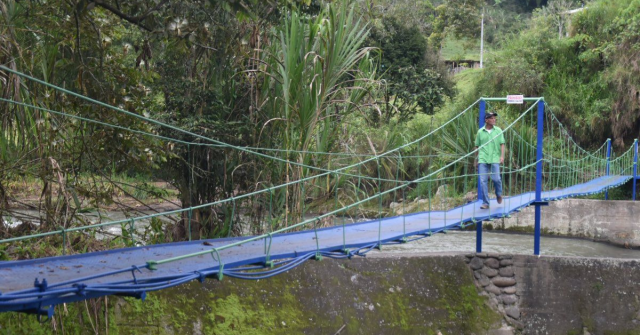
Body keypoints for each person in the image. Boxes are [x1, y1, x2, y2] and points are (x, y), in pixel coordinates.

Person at [474, 112, 505, 209]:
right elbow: (476, 146)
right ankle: (486, 203)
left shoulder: (498, 130)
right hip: (483, 158)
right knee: (483, 181)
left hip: (495, 158)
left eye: (494, 118)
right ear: (486, 120)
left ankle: (498, 194)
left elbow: (502, 144)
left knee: (496, 179)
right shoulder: (480, 132)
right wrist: (476, 159)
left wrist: (502, 156)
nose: (494, 119)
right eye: (491, 118)